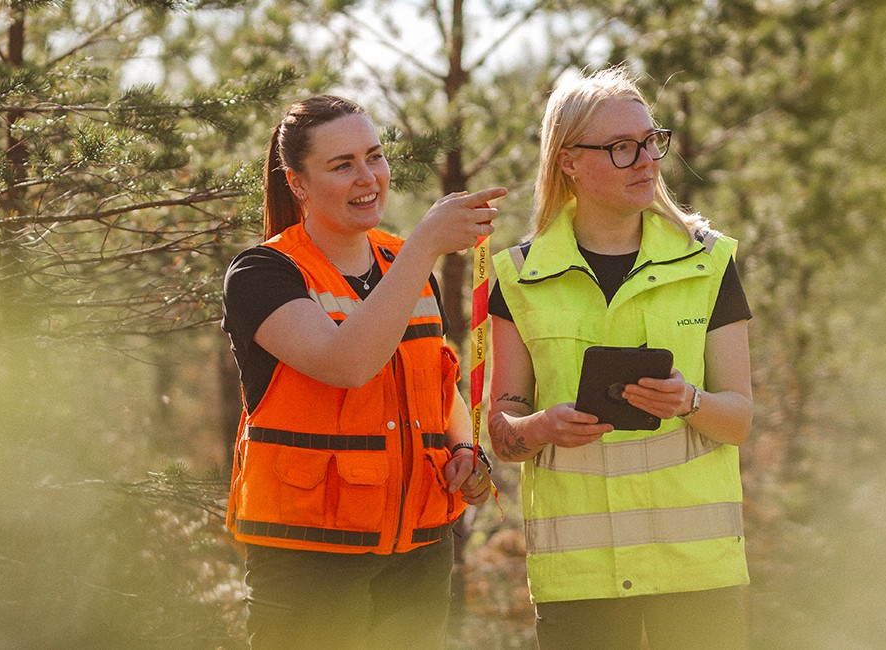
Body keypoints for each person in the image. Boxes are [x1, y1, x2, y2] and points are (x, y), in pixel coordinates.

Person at [221, 94, 505, 650]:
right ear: (297, 182)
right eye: (342, 164)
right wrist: (424, 247)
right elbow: (346, 364)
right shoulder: (262, 273)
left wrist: (466, 453)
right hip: (310, 560)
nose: (368, 177)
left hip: (419, 554)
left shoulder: (404, 261)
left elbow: (436, 384)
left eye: (374, 156)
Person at [487, 66, 754, 649]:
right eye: (620, 147)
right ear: (568, 161)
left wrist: (690, 400)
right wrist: (539, 426)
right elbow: (501, 433)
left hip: (697, 571)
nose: (645, 160)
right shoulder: (518, 276)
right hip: (579, 581)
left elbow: (738, 419)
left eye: (651, 141)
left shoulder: (709, 263)